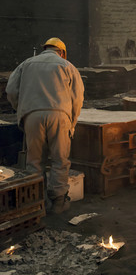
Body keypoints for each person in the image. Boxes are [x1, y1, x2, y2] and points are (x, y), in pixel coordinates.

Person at [6, 37, 84, 214]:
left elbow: (10, 90)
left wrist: (22, 109)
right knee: (60, 160)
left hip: (33, 116)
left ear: (45, 49)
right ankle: (58, 202)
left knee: (34, 161)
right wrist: (72, 122)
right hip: (60, 115)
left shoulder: (26, 64)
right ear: (62, 52)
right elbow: (78, 98)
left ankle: (37, 201)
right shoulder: (67, 66)